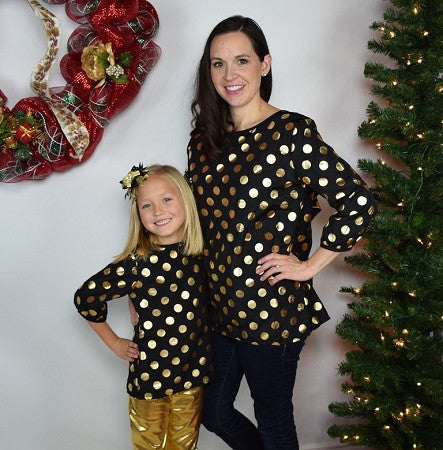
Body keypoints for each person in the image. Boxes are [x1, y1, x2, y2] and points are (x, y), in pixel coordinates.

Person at [186, 15, 377, 450]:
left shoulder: (291, 133)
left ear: (264, 65)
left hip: (271, 308)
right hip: (217, 305)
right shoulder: (204, 139)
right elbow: (193, 225)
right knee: (212, 411)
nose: (229, 75)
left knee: (273, 422)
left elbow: (359, 201)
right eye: (218, 64)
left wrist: (310, 266)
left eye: (241, 60)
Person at [74, 164, 212, 450]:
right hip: (149, 378)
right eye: (146, 205)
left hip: (192, 375)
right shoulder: (136, 263)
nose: (158, 211)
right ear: (138, 215)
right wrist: (114, 342)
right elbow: (86, 297)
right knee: (149, 445)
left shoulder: (203, 253)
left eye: (166, 199)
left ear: (185, 200)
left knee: (184, 445)